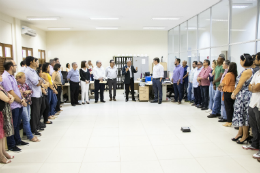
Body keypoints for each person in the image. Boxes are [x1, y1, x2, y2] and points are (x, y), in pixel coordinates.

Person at [2, 60, 28, 152]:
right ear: (11, 67)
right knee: (12, 126)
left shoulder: (11, 76)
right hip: (13, 105)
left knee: (17, 125)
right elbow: (11, 92)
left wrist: (22, 99)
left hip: (18, 104)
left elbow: (17, 90)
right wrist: (20, 100)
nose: (16, 67)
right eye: (15, 65)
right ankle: (11, 145)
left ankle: (18, 140)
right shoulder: (5, 77)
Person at [232, 54, 254, 144]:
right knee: (241, 114)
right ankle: (240, 133)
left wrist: (234, 94)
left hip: (244, 96)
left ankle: (245, 135)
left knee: (244, 115)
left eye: (240, 60)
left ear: (244, 61)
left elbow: (240, 85)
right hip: (242, 95)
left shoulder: (247, 71)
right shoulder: (245, 70)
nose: (240, 62)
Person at [16, 72, 40, 142]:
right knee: (26, 119)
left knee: (28, 118)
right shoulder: (17, 85)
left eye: (25, 78)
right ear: (18, 78)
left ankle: (29, 133)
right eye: (23, 78)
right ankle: (30, 136)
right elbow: (21, 95)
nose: (25, 79)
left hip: (28, 102)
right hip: (22, 104)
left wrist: (28, 91)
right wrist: (26, 92)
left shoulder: (25, 84)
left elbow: (31, 91)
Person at [245, 52, 260, 159]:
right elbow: (250, 86)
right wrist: (252, 87)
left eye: (255, 58)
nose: (253, 60)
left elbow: (255, 88)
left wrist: (253, 87)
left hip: (259, 104)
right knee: (254, 126)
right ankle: (255, 144)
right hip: (253, 103)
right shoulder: (257, 73)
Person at [24, 56, 44, 136]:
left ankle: (37, 126)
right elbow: (37, 83)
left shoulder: (33, 71)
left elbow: (40, 80)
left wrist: (40, 81)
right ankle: (34, 129)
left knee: (38, 111)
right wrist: (40, 81)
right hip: (33, 94)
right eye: (36, 61)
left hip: (38, 93)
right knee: (35, 113)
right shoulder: (28, 71)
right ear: (31, 62)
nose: (37, 63)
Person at [0, 74, 14, 164]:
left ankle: (3, 151)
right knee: (0, 135)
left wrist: (10, 98)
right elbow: (7, 99)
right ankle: (1, 155)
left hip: (3, 112)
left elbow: (10, 96)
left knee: (3, 134)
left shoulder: (1, 86)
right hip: (1, 111)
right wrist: (9, 98)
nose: (1, 76)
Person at [218, 62, 237, 127]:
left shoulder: (229, 74)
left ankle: (229, 121)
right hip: (232, 91)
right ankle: (230, 120)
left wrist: (220, 85)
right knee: (231, 107)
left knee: (228, 107)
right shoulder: (234, 74)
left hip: (228, 91)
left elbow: (224, 82)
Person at [207, 54, 225, 118]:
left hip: (220, 86)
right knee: (216, 99)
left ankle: (219, 113)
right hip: (216, 85)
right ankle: (215, 112)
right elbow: (214, 75)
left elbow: (221, 76)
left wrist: (215, 81)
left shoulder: (222, 67)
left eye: (219, 59)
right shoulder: (217, 66)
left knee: (220, 100)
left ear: (222, 60)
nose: (217, 59)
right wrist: (214, 83)